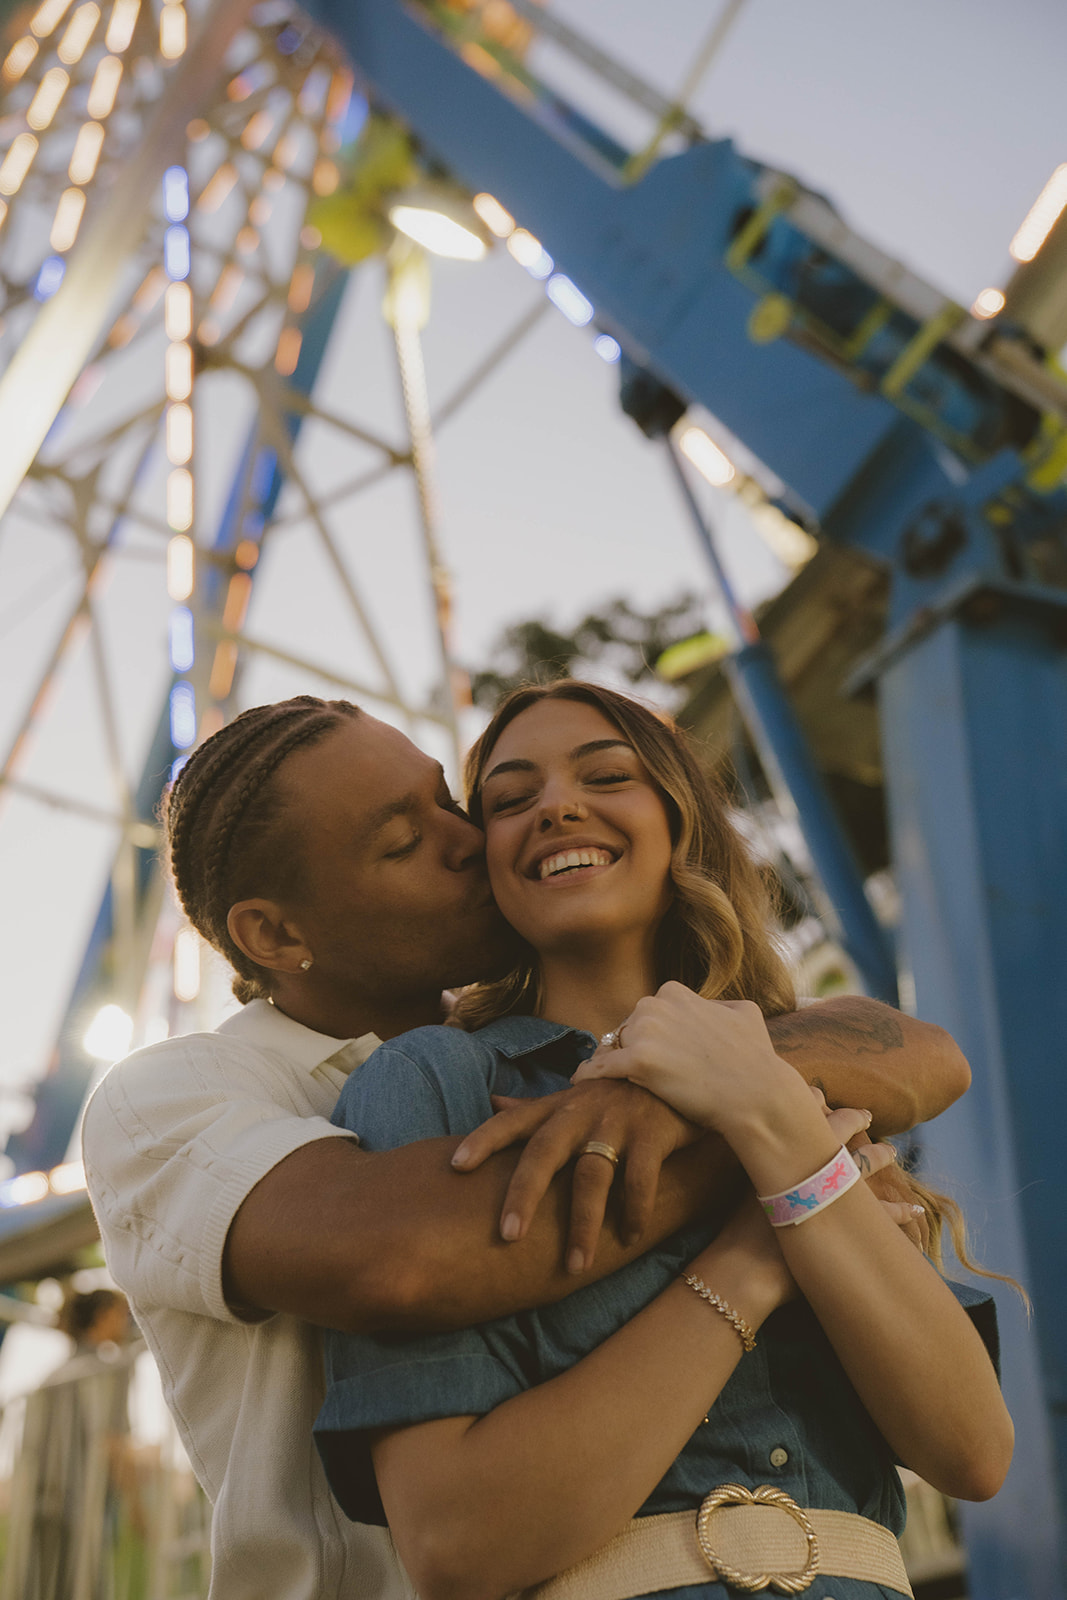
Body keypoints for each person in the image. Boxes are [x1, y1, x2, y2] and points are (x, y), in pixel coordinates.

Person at [82, 694, 972, 1600]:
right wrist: (765, 1149)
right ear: (275, 935)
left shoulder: (597, 1065)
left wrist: (706, 1094)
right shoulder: (176, 1098)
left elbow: (922, 1052)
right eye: (402, 842)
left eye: (447, 801)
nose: (465, 838)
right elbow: (406, 1258)